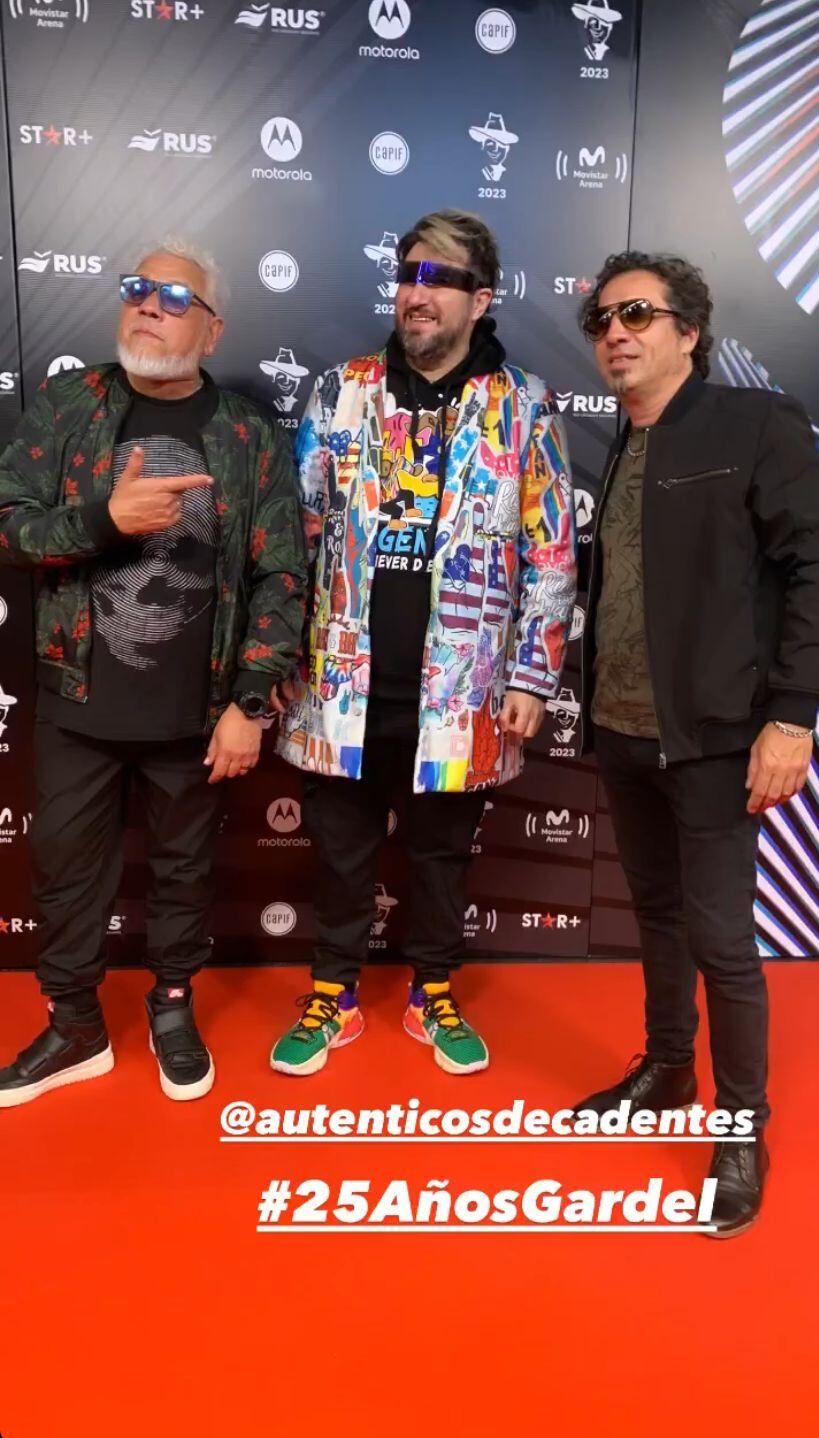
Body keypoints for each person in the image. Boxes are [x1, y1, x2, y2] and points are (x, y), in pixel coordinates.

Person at [0, 236, 306, 1107]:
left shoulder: (246, 434)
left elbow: (282, 573)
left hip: (198, 713)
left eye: (174, 298)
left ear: (211, 331)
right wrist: (102, 518)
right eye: (137, 288)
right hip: (76, 702)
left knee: (184, 871)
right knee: (61, 870)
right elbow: (7, 523)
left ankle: (173, 1007)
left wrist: (252, 701)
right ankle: (75, 1028)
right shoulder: (70, 407)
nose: (148, 305)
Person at [270, 209, 576, 1077]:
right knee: (339, 847)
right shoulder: (341, 390)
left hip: (464, 685)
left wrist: (531, 673)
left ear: (482, 299)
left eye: (440, 280)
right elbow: (293, 532)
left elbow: (550, 546)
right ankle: (331, 991)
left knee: (442, 852)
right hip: (342, 678)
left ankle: (430, 990)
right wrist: (282, 658)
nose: (417, 293)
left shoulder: (524, 402)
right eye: (409, 274)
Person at [575, 250, 819, 1234]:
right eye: (600, 319)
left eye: (637, 312)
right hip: (625, 731)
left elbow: (813, 567)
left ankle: (742, 1126)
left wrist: (796, 713)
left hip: (719, 736)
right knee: (659, 915)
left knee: (722, 938)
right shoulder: (624, 444)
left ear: (689, 329)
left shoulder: (755, 423)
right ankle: (669, 1068)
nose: (615, 332)